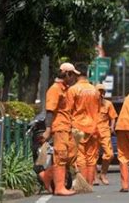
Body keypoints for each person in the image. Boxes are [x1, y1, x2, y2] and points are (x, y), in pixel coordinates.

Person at [40, 62, 79, 196]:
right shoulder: (55, 89)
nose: (74, 78)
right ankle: (59, 187)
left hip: (67, 128)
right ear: (66, 74)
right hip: (59, 127)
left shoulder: (65, 89)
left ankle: (46, 175)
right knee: (61, 156)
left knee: (71, 155)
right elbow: (50, 111)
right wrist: (48, 129)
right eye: (73, 75)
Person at [65, 62, 100, 185]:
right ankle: (89, 184)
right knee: (91, 158)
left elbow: (68, 110)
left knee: (80, 157)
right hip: (94, 127)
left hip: (78, 127)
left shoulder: (73, 90)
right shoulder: (95, 90)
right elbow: (98, 110)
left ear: (76, 73)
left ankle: (82, 184)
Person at [94, 83, 118, 185]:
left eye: (102, 91)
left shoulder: (108, 104)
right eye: (99, 91)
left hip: (105, 132)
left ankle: (103, 174)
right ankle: (94, 177)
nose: (101, 93)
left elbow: (113, 117)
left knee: (110, 154)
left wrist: (112, 127)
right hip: (93, 132)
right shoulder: (90, 104)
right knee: (92, 156)